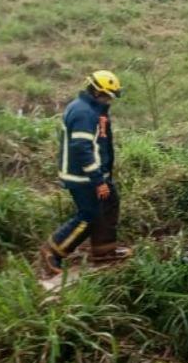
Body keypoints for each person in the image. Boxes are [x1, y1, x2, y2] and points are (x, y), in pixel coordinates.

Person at [40, 70, 126, 273]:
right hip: (83, 178)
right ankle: (53, 250)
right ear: (97, 92)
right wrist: (98, 180)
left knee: (110, 204)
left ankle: (104, 251)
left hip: (95, 175)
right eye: (108, 96)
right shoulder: (83, 113)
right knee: (89, 216)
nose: (110, 101)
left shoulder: (93, 109)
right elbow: (82, 148)